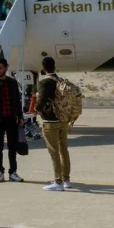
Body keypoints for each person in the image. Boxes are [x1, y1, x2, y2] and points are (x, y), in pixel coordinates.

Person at [35, 57, 71, 191]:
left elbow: (42, 99)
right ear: (54, 66)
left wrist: (36, 109)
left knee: (53, 151)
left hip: (50, 121)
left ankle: (58, 181)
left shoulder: (45, 82)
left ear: (43, 68)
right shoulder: (60, 81)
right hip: (63, 119)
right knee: (64, 150)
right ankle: (66, 179)